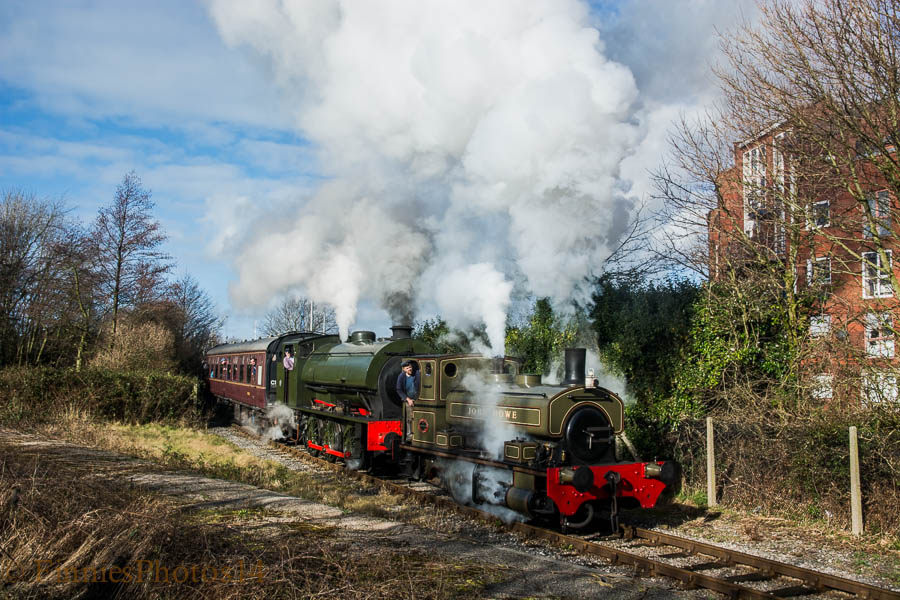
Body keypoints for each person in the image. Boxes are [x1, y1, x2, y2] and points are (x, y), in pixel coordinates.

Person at [396, 360, 419, 442]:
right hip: (408, 399)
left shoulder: (417, 374)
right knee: (410, 418)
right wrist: (407, 399)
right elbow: (399, 390)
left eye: (410, 367)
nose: (410, 369)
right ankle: (409, 436)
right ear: (404, 369)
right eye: (407, 368)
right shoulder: (401, 377)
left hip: (418, 399)